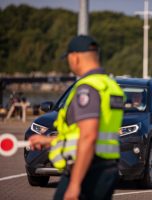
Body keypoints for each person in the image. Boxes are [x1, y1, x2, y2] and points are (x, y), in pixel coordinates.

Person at [29, 35, 124, 200]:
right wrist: (50, 141)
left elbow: (88, 136)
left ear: (75, 57)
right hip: (107, 167)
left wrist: (74, 184)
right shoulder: (110, 86)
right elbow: (93, 132)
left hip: (87, 170)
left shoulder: (87, 88)